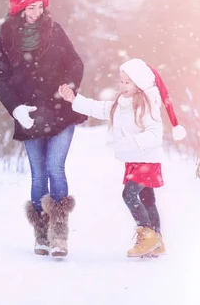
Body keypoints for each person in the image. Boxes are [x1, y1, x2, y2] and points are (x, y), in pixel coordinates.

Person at [0, 0, 87, 257]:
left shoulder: (55, 31)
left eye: (38, 7)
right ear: (17, 10)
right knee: (38, 175)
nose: (35, 13)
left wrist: (70, 85)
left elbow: (75, 62)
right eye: (28, 9)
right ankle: (41, 234)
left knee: (56, 167)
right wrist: (16, 109)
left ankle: (59, 234)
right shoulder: (3, 40)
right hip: (29, 114)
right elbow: (0, 79)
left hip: (59, 111)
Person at [58, 58, 187, 257]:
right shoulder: (121, 103)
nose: (122, 85)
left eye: (128, 82)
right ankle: (157, 240)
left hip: (147, 159)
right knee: (147, 198)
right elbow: (99, 108)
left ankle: (147, 235)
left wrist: (129, 143)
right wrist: (74, 99)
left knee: (129, 195)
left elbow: (155, 135)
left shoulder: (147, 106)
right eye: (121, 81)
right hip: (136, 159)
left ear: (140, 84)